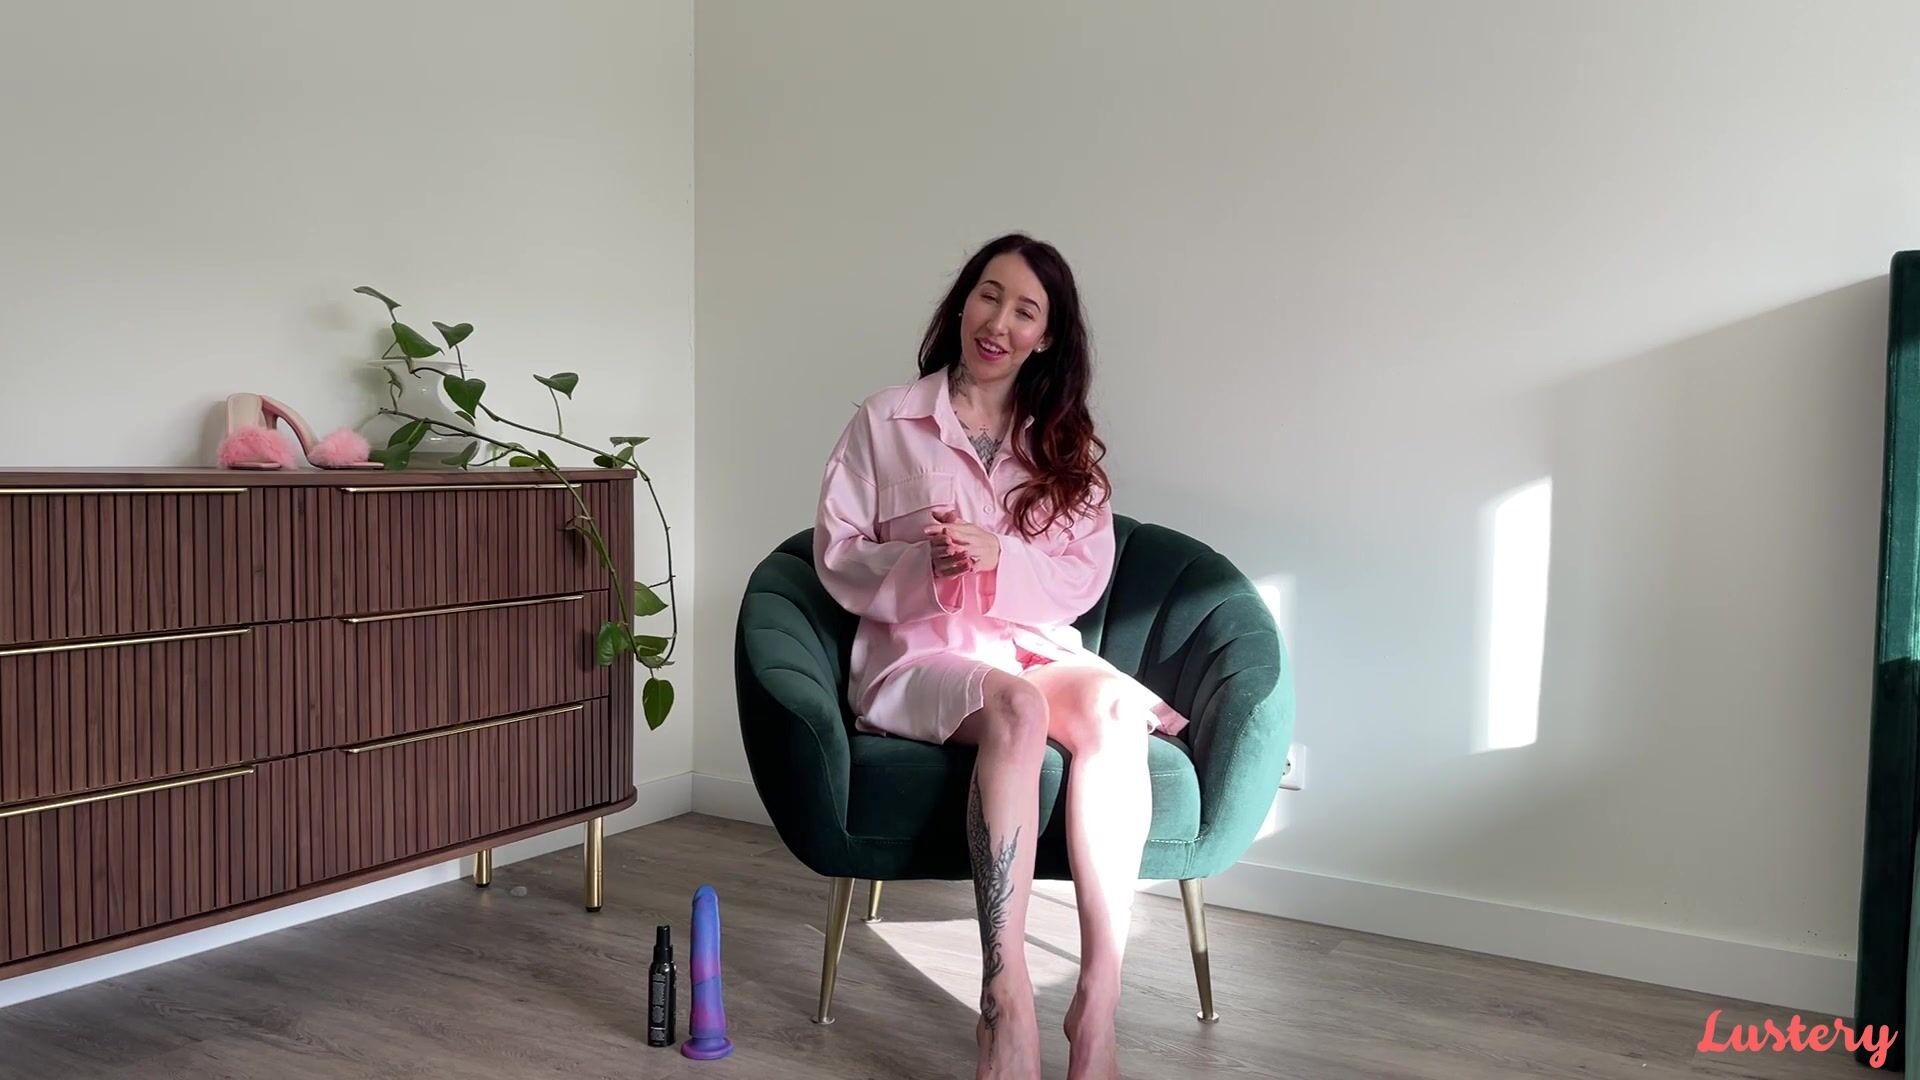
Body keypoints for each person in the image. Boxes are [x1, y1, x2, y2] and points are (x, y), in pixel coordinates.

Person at [814, 232, 1188, 1080]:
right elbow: (837, 556)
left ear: (1046, 336)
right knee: (1017, 709)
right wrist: (927, 563)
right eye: (989, 295)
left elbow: (1080, 575)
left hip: (1025, 646)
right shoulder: (885, 421)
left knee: (1117, 707)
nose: (999, 322)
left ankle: (1098, 999)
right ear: (962, 303)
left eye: (1025, 310)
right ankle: (1006, 995)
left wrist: (1000, 558)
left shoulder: (1060, 440)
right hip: (919, 655)